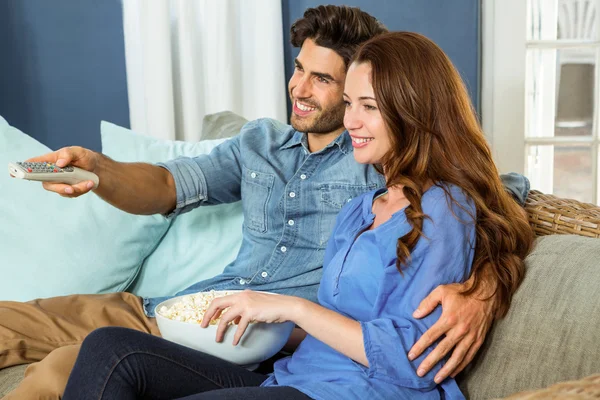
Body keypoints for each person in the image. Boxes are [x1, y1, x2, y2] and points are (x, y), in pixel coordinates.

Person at [1, 6, 528, 399]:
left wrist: (483, 287)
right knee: (44, 332)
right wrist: (100, 171)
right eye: (300, 68)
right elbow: (169, 183)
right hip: (182, 310)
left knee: (66, 368)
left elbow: (494, 197)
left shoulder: (384, 172)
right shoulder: (273, 151)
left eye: (325, 81)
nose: (299, 87)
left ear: (400, 104)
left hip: (251, 342)